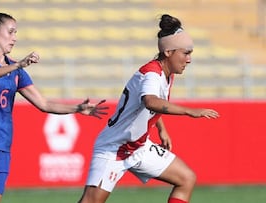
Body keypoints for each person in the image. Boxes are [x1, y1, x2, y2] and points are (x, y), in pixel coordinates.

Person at [0, 12, 108, 203]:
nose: (15, 38)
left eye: (16, 33)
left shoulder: (16, 72)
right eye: (10, 32)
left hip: (1, 146)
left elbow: (44, 104)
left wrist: (77, 108)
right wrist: (18, 65)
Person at [78, 14, 220, 203]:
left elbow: (146, 106)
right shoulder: (151, 74)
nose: (189, 59)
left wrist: (162, 130)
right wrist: (189, 111)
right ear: (168, 52)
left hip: (139, 147)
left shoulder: (166, 73)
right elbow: (150, 102)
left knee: (186, 179)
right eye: (186, 53)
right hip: (114, 148)